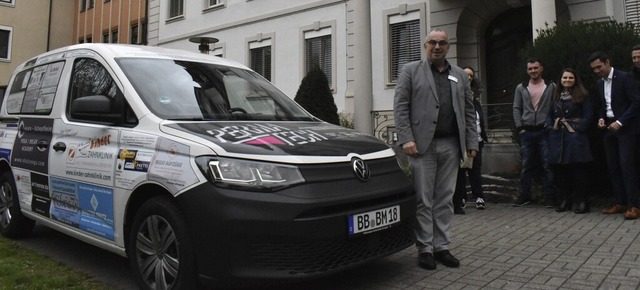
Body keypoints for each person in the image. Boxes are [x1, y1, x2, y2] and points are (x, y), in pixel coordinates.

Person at [394, 28, 478, 270]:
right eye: (433, 42)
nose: (437, 47)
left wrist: (471, 142)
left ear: (448, 47)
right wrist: (406, 138)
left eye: (442, 43)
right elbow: (400, 106)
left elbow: (469, 111)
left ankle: (442, 246)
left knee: (444, 199)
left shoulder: (460, 75)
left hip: (451, 144)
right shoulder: (411, 71)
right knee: (423, 199)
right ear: (425, 45)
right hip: (421, 145)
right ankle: (425, 248)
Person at [589, 51, 640, 219]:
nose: (597, 71)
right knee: (613, 167)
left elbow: (636, 102)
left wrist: (621, 122)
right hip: (609, 129)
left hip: (626, 129)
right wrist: (602, 118)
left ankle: (635, 205)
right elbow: (603, 104)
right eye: (594, 69)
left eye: (599, 67)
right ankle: (620, 202)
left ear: (607, 62)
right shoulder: (599, 83)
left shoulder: (625, 77)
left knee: (627, 166)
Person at [546, 68, 594, 214]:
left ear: (575, 79)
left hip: (575, 138)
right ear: (560, 80)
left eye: (570, 78)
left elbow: (588, 116)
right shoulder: (556, 96)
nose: (567, 80)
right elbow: (549, 115)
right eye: (564, 78)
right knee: (561, 173)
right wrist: (550, 126)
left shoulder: (582, 95)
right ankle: (565, 200)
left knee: (578, 172)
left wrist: (576, 127)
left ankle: (583, 201)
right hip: (558, 138)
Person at [512, 58, 557, 207]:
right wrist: (520, 127)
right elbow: (516, 108)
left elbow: (555, 106)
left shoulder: (551, 86)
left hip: (544, 131)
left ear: (541, 68)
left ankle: (551, 197)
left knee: (547, 164)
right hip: (527, 131)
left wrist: (551, 124)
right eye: (530, 69)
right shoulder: (521, 87)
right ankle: (524, 196)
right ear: (527, 71)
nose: (533, 71)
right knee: (526, 166)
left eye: (535, 68)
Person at [453, 67, 488, 214]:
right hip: (462, 141)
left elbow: (477, 120)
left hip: (477, 140)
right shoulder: (456, 95)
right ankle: (461, 198)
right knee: (461, 172)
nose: (468, 78)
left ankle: (478, 196)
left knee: (475, 170)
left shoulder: (475, 101)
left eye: (471, 76)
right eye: (466, 75)